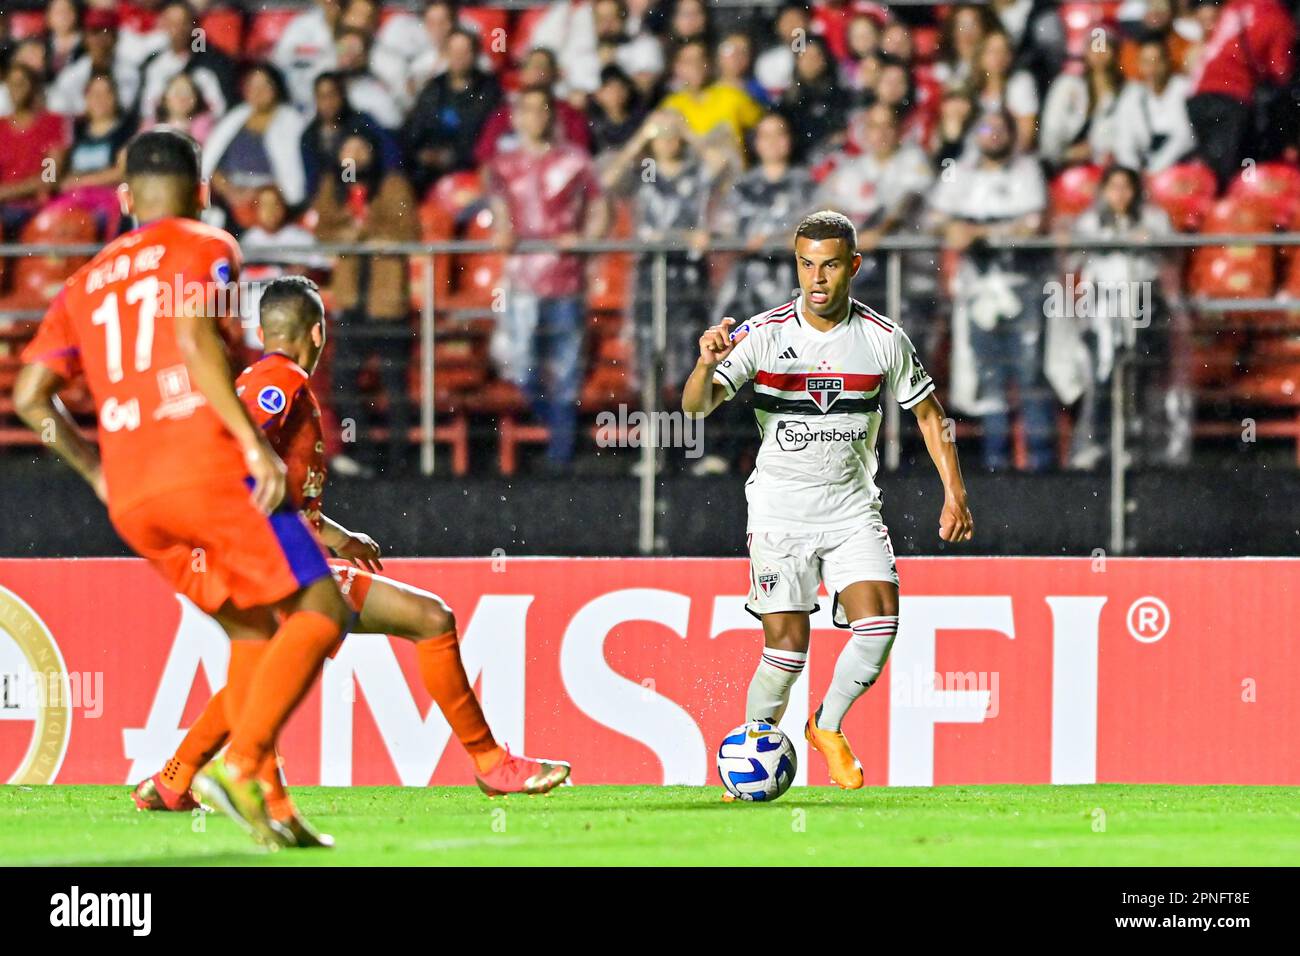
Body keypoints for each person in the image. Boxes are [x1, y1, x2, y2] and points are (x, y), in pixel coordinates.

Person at [132, 277, 572, 839]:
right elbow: (233, 447)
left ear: (263, 331)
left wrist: (334, 536)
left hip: (263, 550)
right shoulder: (280, 378)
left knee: (269, 667)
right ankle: (491, 764)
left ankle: (174, 779)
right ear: (316, 334)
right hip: (268, 558)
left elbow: (271, 479)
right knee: (431, 620)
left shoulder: (260, 377)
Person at [13, 128, 349, 847]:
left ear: (125, 196)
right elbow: (195, 338)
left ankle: (273, 804)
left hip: (134, 497)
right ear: (200, 191)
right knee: (321, 609)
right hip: (202, 465)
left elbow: (31, 396)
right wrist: (251, 445)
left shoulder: (84, 280)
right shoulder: (205, 242)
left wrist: (96, 470)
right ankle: (243, 763)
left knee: (252, 631)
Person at [681, 210, 974, 791]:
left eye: (830, 265)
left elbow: (929, 414)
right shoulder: (763, 334)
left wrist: (954, 492)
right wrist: (705, 363)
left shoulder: (883, 339)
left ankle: (826, 726)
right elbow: (696, 407)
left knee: (881, 622)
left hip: (851, 508)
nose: (816, 278)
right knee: (786, 654)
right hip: (779, 511)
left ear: (854, 267)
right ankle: (753, 751)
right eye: (806, 264)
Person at [486, 84, 609, 472]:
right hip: (522, 280)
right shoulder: (503, 163)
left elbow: (600, 204)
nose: (534, 117)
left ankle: (561, 457)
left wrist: (587, 238)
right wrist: (502, 230)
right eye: (527, 109)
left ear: (551, 116)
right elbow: (498, 205)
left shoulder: (574, 160)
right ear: (517, 116)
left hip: (565, 277)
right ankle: (555, 431)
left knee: (566, 369)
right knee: (520, 364)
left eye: (541, 110)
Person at [927, 108, 1053, 472]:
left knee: (1030, 374)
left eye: (1001, 128)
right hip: (978, 287)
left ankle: (1042, 469)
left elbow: (1031, 223)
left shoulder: (1026, 169)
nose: (993, 134)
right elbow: (934, 216)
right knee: (989, 379)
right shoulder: (960, 170)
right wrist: (953, 226)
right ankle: (994, 467)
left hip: (1021, 286)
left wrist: (978, 232)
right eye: (985, 126)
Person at [312, 133, 419, 474]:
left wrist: (367, 230)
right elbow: (323, 233)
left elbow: (408, 232)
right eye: (348, 148)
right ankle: (365, 454)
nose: (354, 155)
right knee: (343, 382)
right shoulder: (333, 187)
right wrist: (351, 233)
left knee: (394, 381)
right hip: (351, 297)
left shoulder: (392, 184)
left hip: (386, 299)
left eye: (361, 147)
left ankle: (402, 458)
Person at [1065, 166, 1184, 469]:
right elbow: (1071, 254)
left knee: (1141, 375)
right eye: (1113, 187)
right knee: (1103, 376)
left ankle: (1138, 444)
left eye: (1126, 187)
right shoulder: (1091, 221)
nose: (1120, 195)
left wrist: (1151, 239)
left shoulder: (1153, 218)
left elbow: (1172, 253)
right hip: (1102, 306)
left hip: (1143, 302)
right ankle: (1098, 443)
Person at [1186, 0, 1295, 188]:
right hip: (1232, 97)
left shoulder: (1235, 5)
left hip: (1198, 95)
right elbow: (1281, 72)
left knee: (1212, 165)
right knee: (1227, 174)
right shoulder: (1278, 19)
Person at [203, 63, 307, 230]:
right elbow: (211, 163)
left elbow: (293, 173)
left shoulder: (291, 120)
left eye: (264, 85)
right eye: (252, 85)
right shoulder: (236, 116)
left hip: (271, 200)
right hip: (230, 199)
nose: (258, 91)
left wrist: (255, 194)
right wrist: (228, 190)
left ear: (276, 88)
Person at [402, 27, 501, 198]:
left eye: (465, 51)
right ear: (446, 54)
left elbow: (491, 139)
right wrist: (421, 154)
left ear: (476, 55)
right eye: (453, 51)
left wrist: (454, 157)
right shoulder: (433, 88)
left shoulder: (490, 92)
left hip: (470, 169)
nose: (459, 57)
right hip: (428, 171)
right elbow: (414, 130)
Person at [50, 72, 134, 238]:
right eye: (94, 94)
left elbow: (121, 172)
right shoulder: (77, 132)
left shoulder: (126, 131)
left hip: (107, 199)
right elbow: (59, 172)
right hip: (74, 197)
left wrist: (80, 182)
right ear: (86, 99)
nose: (100, 99)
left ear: (115, 98)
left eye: (106, 93)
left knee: (84, 223)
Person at [0, 63, 69, 237]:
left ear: (33, 87)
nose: (16, 89)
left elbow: (50, 176)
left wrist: (5, 192)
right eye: (12, 83)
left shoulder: (51, 124)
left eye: (22, 83)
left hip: (34, 206)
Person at [1039, 31, 1125, 169]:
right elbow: (1051, 129)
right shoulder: (1067, 85)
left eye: (1105, 46)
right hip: (1065, 164)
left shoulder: (1126, 92)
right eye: (1094, 46)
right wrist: (1063, 155)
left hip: (1108, 167)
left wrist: (1097, 151)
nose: (1099, 52)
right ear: (1085, 51)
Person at [1111, 38, 1196, 173]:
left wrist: (1154, 170)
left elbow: (1185, 137)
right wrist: (1134, 173)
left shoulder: (1184, 89)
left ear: (1167, 62)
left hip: (1178, 167)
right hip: (1143, 169)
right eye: (1146, 62)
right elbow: (1124, 141)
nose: (1152, 68)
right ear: (1139, 64)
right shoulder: (1132, 94)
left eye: (1157, 61)